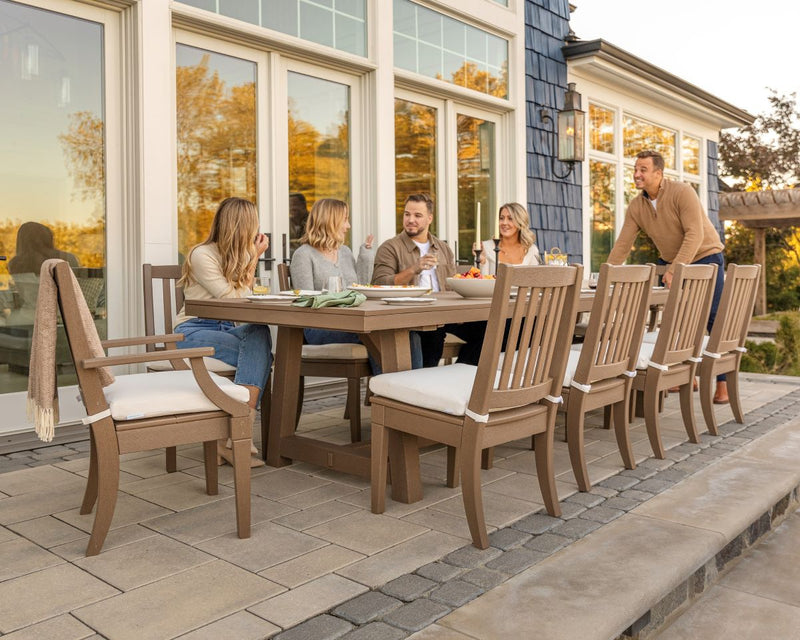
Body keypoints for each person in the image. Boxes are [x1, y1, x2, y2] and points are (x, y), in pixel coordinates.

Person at [607, 149, 728, 403]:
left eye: (643, 170)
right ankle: (685, 376)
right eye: (636, 169)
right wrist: (608, 272)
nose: (637, 174)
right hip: (672, 261)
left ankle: (723, 383)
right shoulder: (637, 206)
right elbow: (623, 243)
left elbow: (694, 234)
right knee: (678, 320)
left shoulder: (682, 192)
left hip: (706, 256)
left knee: (712, 320)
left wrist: (675, 268)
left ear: (658, 173)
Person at [174, 197, 273, 464]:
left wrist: (249, 257)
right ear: (241, 226)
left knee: (259, 333)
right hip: (192, 331)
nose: (257, 231)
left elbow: (244, 299)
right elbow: (231, 298)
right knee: (259, 354)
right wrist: (254, 258)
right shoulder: (202, 254)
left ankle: (234, 434)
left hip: (227, 329)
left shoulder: (238, 254)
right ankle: (239, 434)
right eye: (254, 224)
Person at [372, 193, 485, 367]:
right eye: (407, 214)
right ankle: (426, 382)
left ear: (429, 218)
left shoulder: (443, 248)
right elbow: (379, 284)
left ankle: (458, 375)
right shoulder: (390, 247)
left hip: (446, 315)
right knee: (433, 335)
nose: (411, 220)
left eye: (417, 215)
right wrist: (414, 269)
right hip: (411, 318)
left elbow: (454, 283)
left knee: (490, 329)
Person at [289, 198, 382, 373]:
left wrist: (366, 257)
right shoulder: (303, 255)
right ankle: (385, 395)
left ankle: (406, 394)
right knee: (379, 334)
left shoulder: (345, 252)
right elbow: (305, 301)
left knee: (404, 334)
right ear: (330, 222)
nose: (348, 226)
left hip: (350, 323)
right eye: (345, 220)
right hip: (318, 328)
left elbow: (360, 291)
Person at [476, 202, 541, 276]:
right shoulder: (485, 247)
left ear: (520, 222)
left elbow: (534, 282)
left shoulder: (531, 250)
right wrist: (482, 262)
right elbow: (481, 281)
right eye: (501, 218)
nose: (504, 223)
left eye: (510, 219)